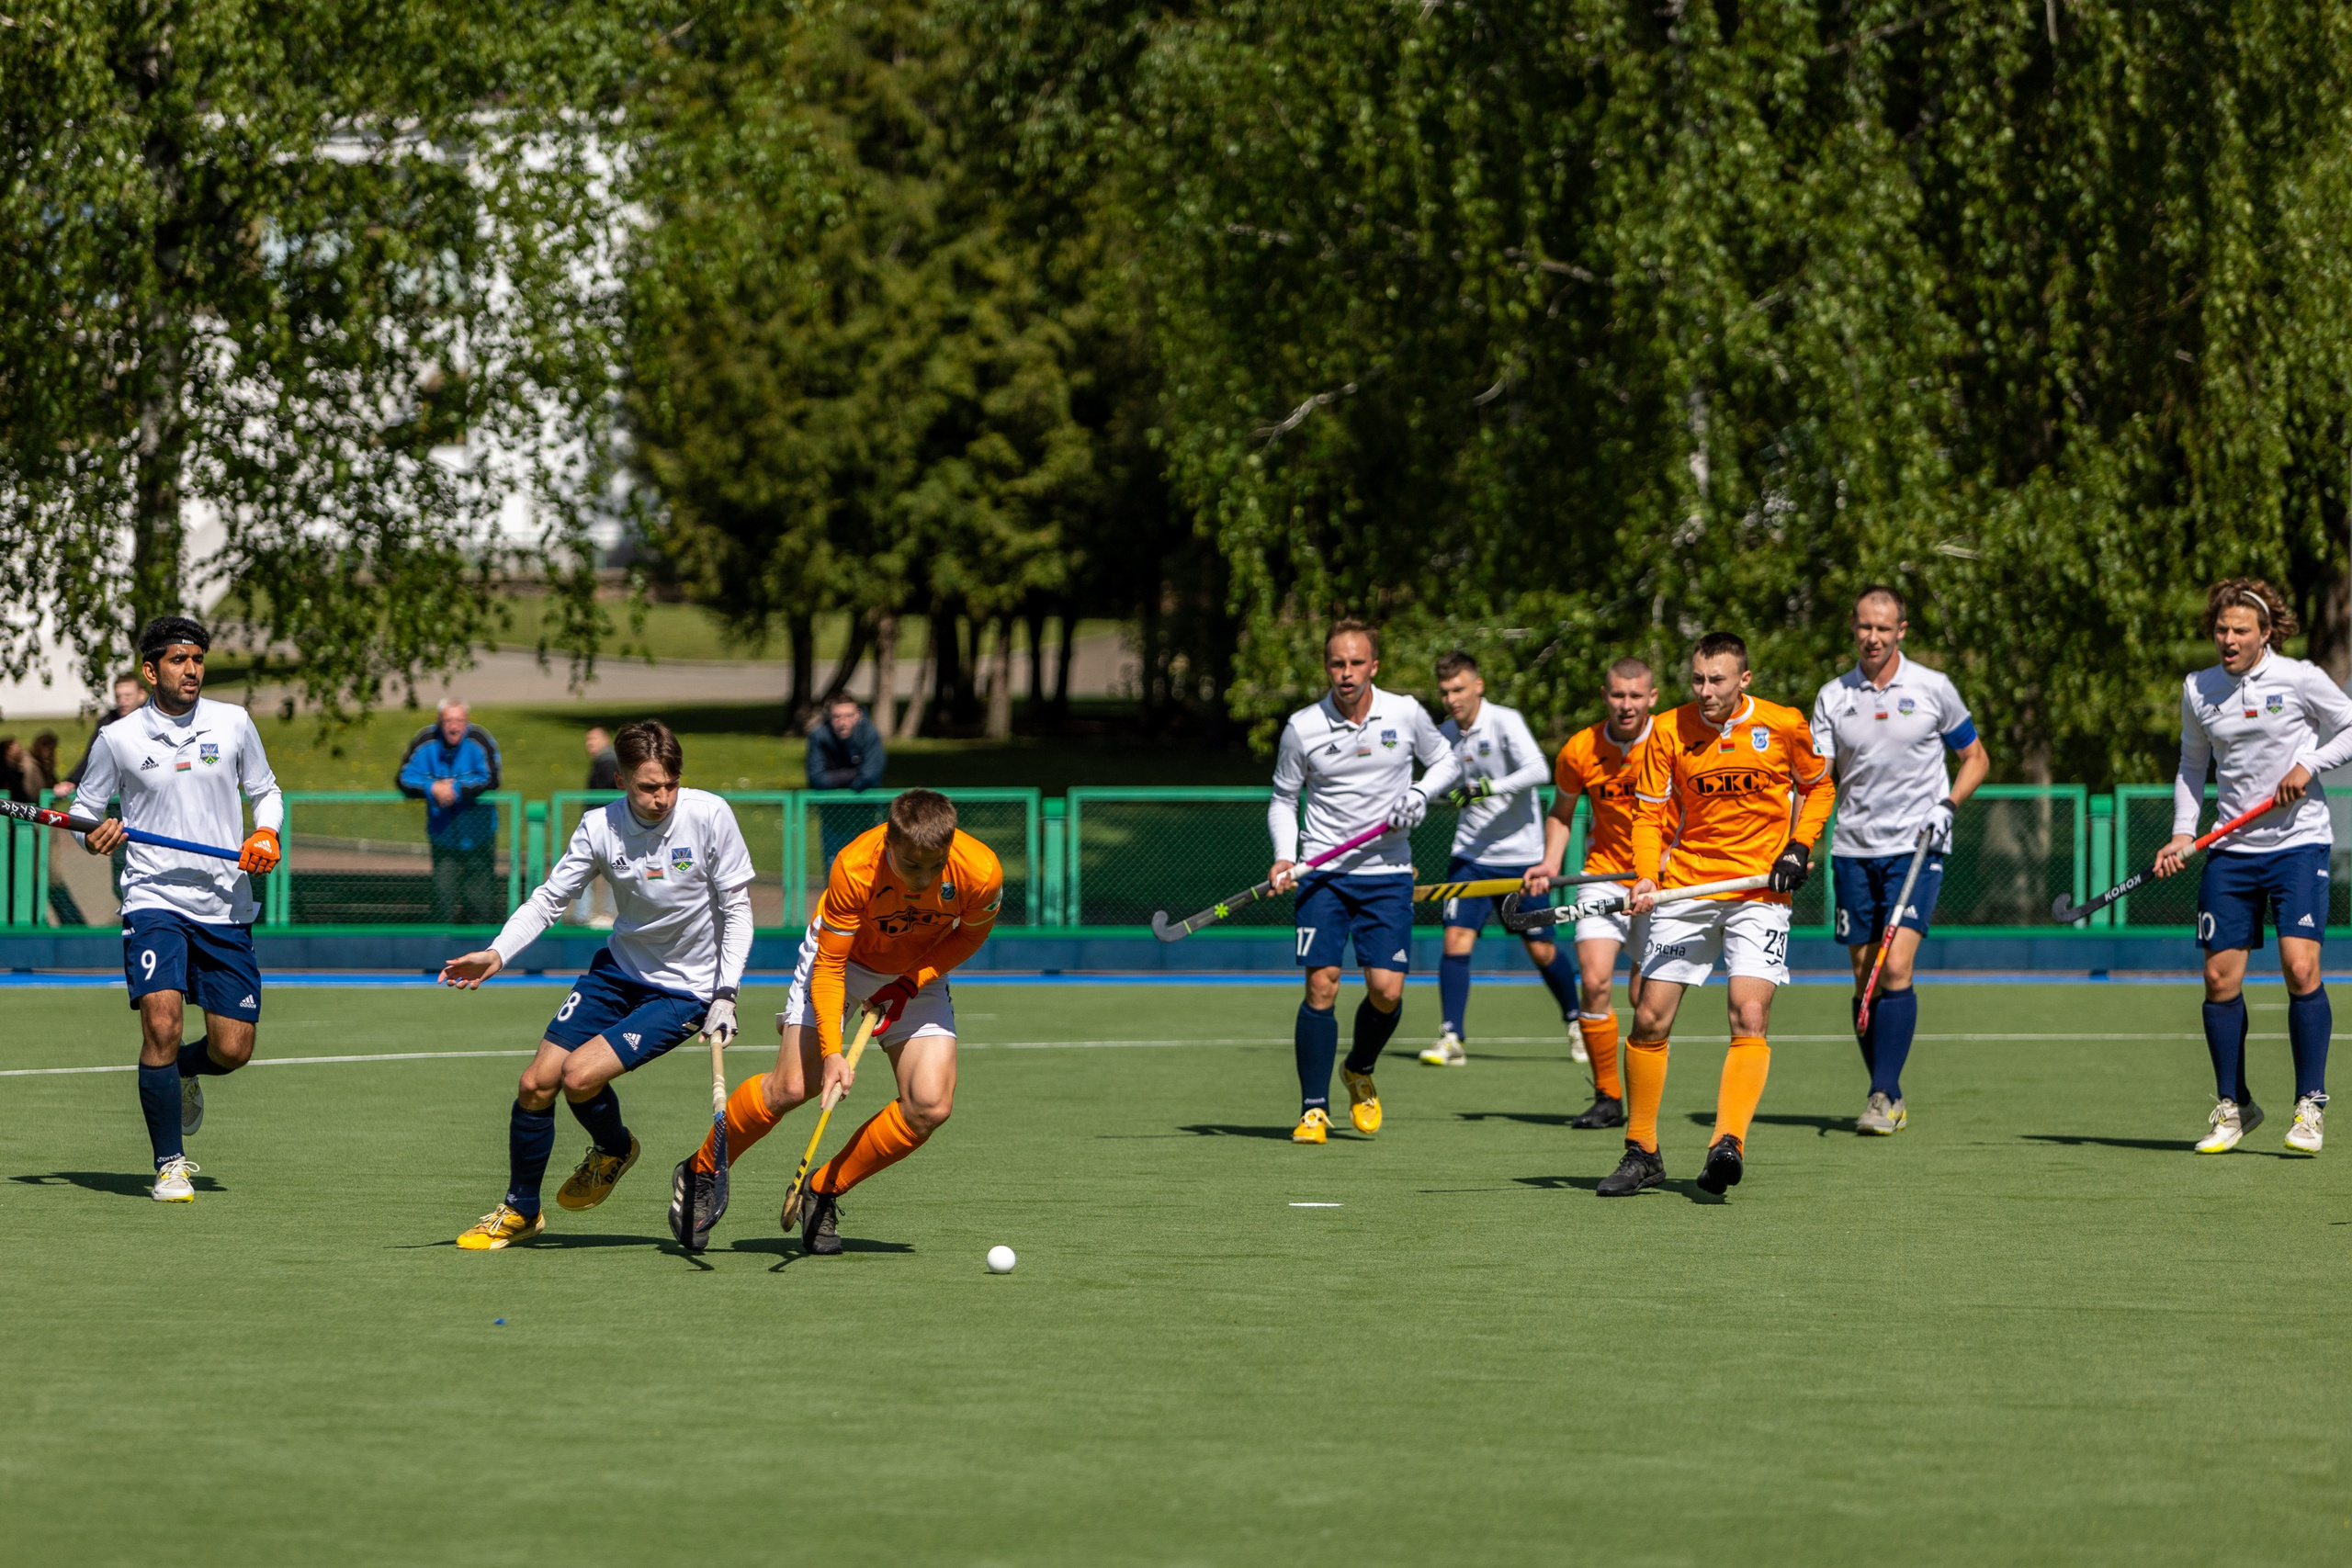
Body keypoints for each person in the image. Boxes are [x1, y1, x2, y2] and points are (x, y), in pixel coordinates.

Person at [435, 720, 755, 1249]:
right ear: (620, 780)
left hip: (687, 989)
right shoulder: (599, 827)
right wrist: (498, 951)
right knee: (536, 1083)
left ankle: (612, 1148)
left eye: (670, 784)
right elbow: (548, 900)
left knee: (580, 1078)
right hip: (618, 969)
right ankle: (521, 1210)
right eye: (648, 787)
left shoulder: (710, 815)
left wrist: (726, 993)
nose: (662, 798)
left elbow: (738, 910)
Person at [673, 788, 1001, 1256]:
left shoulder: (981, 870)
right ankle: (702, 1170)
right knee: (792, 1087)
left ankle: (824, 1189)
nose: (923, 879)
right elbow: (829, 967)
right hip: (841, 963)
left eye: (935, 866)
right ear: (889, 842)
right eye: (911, 866)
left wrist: (908, 984)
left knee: (929, 1106)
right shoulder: (855, 866)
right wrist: (832, 1053)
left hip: (916, 970)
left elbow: (969, 936)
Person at [1599, 631, 1834, 1198]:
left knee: (1748, 1013)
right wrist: (1647, 876)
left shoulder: (1782, 725)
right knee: (1650, 1018)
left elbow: (1819, 786)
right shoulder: (1669, 730)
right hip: (1690, 886)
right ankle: (1642, 1151)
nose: (1705, 691)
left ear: (1744, 680)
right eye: (1698, 679)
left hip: (1760, 892)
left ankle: (1727, 1144)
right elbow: (1649, 817)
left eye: (1718, 680)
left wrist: (1799, 847)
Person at [72, 616, 283, 1202]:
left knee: (233, 1049)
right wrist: (93, 838)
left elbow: (266, 792)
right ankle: (170, 1163)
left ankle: (186, 1072)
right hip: (153, 897)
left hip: (223, 900)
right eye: (177, 660)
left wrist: (266, 833)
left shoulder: (233, 723)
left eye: (197, 660)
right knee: (161, 1022)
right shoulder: (118, 738)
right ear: (150, 670)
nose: (191, 670)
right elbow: (85, 816)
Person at [2153, 578, 2352, 1156]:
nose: (2229, 639)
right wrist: (2183, 833)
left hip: (2298, 844)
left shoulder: (2299, 677)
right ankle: (2233, 1103)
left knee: (2300, 968)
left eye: (2241, 630)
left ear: (2266, 633)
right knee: (2219, 980)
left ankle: (2310, 1105)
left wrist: (2308, 765)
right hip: (2231, 850)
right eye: (2221, 629)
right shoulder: (2199, 688)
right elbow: (2192, 765)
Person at [1267, 621, 1460, 1144]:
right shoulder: (1303, 727)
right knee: (1322, 983)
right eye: (1336, 663)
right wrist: (1286, 857)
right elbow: (1284, 799)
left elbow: (1447, 760)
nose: (1346, 673)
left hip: (1387, 872)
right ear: (1326, 666)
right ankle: (1313, 1109)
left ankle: (1359, 1068)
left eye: (1356, 663)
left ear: (1373, 665)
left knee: (1386, 990)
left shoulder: (1404, 713)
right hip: (1322, 873)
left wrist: (1420, 795)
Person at [1809, 587, 1990, 1135]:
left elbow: (1975, 758)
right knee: (1865, 978)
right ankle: (1889, 1091)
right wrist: (1803, 840)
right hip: (1853, 849)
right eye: (1865, 627)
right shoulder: (1832, 697)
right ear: (1853, 627)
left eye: (1884, 629)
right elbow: (1818, 781)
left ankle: (1882, 1093)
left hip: (1918, 847)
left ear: (1902, 630)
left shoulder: (1934, 688)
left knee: (1895, 967)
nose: (1873, 637)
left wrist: (1947, 805)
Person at [1416, 649, 1580, 1067]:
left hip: (1522, 859)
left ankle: (1576, 1021)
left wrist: (1487, 788)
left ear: (1478, 686)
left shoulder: (1504, 720)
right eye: (1444, 692)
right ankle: (1451, 1036)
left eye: (1458, 689)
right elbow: (1436, 780)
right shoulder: (1445, 733)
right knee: (1455, 939)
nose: (1452, 699)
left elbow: (1538, 771)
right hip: (1470, 855)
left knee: (1542, 950)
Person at [1522, 657, 1664, 1129]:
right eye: (1618, 695)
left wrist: (1667, 862)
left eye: (1635, 696)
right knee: (1595, 978)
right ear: (1605, 695)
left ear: (1652, 698)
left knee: (1646, 1000)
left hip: (1662, 882)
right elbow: (1562, 813)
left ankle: (1643, 1096)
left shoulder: (1673, 741)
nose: (1626, 705)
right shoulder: (1581, 748)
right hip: (1601, 876)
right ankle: (1608, 1096)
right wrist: (1548, 861)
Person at [397, 699, 503, 925]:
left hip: (479, 836)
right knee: (442, 898)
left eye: (459, 721)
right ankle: (442, 953)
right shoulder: (425, 741)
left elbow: (492, 779)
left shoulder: (479, 741)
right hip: (442, 836)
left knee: (480, 903)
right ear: (439, 722)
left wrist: (455, 788)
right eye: (448, 721)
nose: (454, 726)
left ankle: (482, 952)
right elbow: (404, 778)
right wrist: (432, 787)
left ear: (467, 722)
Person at [807, 695, 888, 869]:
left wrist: (836, 780)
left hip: (868, 814)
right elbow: (817, 778)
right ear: (830, 717)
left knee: (871, 868)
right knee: (836, 868)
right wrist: (856, 775)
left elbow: (870, 775)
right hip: (833, 816)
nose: (843, 722)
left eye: (849, 716)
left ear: (858, 715)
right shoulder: (819, 735)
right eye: (837, 717)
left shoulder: (869, 733)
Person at [57, 671, 146, 803]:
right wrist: (71, 781)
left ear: (142, 696)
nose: (122, 701)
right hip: (117, 792)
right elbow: (92, 756)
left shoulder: (152, 721)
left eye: (128, 695)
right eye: (118, 696)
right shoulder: (108, 722)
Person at [575, 728, 619, 927]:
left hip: (607, 826)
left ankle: (594, 914)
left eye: (593, 739)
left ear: (605, 740)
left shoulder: (608, 762)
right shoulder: (604, 762)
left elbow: (606, 795)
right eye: (587, 740)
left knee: (602, 868)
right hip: (603, 825)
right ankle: (591, 913)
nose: (589, 744)